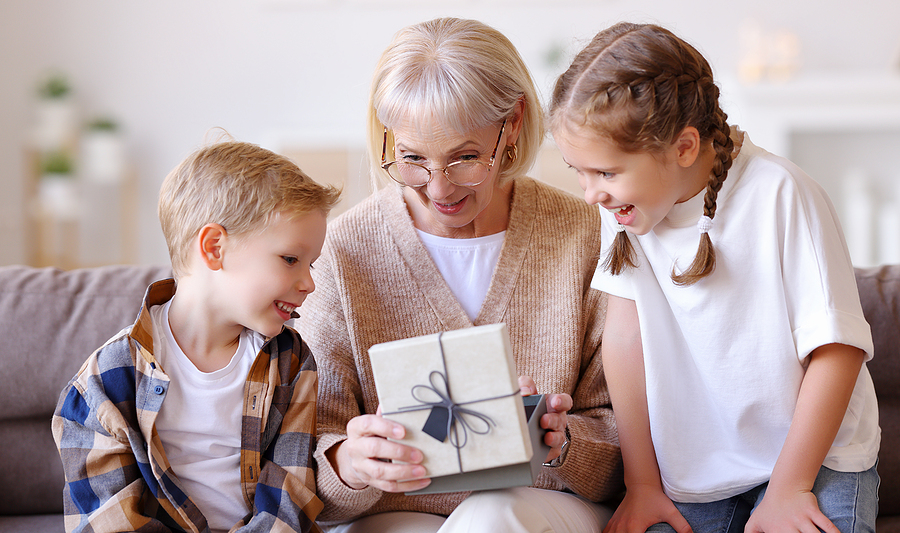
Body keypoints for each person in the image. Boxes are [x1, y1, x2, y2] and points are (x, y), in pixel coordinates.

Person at [549, 22, 880, 533]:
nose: (591, 192)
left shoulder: (782, 194)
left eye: (607, 173)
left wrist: (789, 489)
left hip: (814, 461)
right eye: (580, 171)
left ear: (683, 147)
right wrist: (643, 484)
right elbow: (624, 339)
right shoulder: (624, 207)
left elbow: (838, 350)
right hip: (701, 465)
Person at [295, 17, 623, 533]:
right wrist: (352, 467)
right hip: (397, 515)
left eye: (465, 158)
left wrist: (564, 441)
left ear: (512, 122)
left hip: (535, 508)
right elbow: (308, 471)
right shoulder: (342, 251)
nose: (439, 189)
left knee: (491, 517)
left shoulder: (585, 234)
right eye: (412, 159)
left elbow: (627, 448)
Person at [52, 140, 341, 533]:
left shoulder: (290, 361)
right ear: (214, 248)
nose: (308, 283)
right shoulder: (106, 379)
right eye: (291, 259)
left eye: (311, 264)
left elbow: (291, 487)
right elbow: (107, 516)